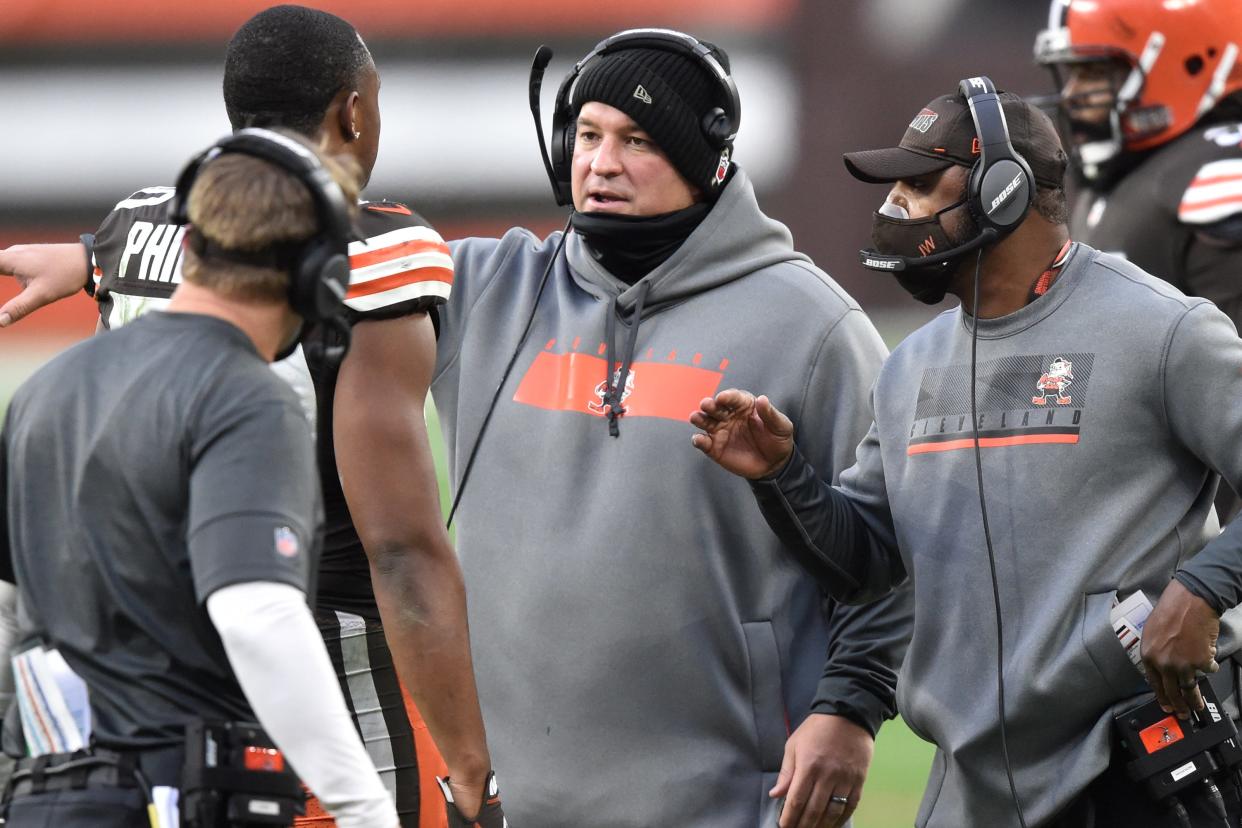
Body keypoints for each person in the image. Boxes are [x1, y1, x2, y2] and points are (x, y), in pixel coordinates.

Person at [0, 7, 503, 827]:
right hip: (315, 659)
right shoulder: (370, 251)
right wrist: (475, 770)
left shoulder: (139, 227)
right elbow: (399, 547)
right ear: (353, 112)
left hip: (121, 683)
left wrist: (93, 256)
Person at [691, 79, 1242, 827]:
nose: (895, 208)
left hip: (1134, 782)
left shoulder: (1165, 329)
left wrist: (1203, 590)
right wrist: (781, 478)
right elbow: (869, 562)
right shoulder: (910, 366)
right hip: (966, 790)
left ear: (1004, 189)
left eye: (919, 185)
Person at [433, 29, 910, 828]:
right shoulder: (484, 291)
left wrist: (851, 707)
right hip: (507, 802)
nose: (601, 163)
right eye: (586, 136)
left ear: (705, 159)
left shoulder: (816, 326)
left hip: (726, 801)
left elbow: (891, 548)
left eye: (637, 140)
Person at [0, 129, 399, 827]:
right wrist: (364, 806)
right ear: (319, 276)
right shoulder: (247, 395)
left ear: (187, 244)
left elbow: (15, 611)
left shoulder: (48, 387)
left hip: (45, 793)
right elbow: (258, 614)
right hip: (175, 792)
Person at [1034, 0, 1242, 520]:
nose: (1074, 92)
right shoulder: (1121, 177)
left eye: (1095, 70)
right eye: (1071, 72)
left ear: (1191, 61)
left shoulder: (1217, 172)